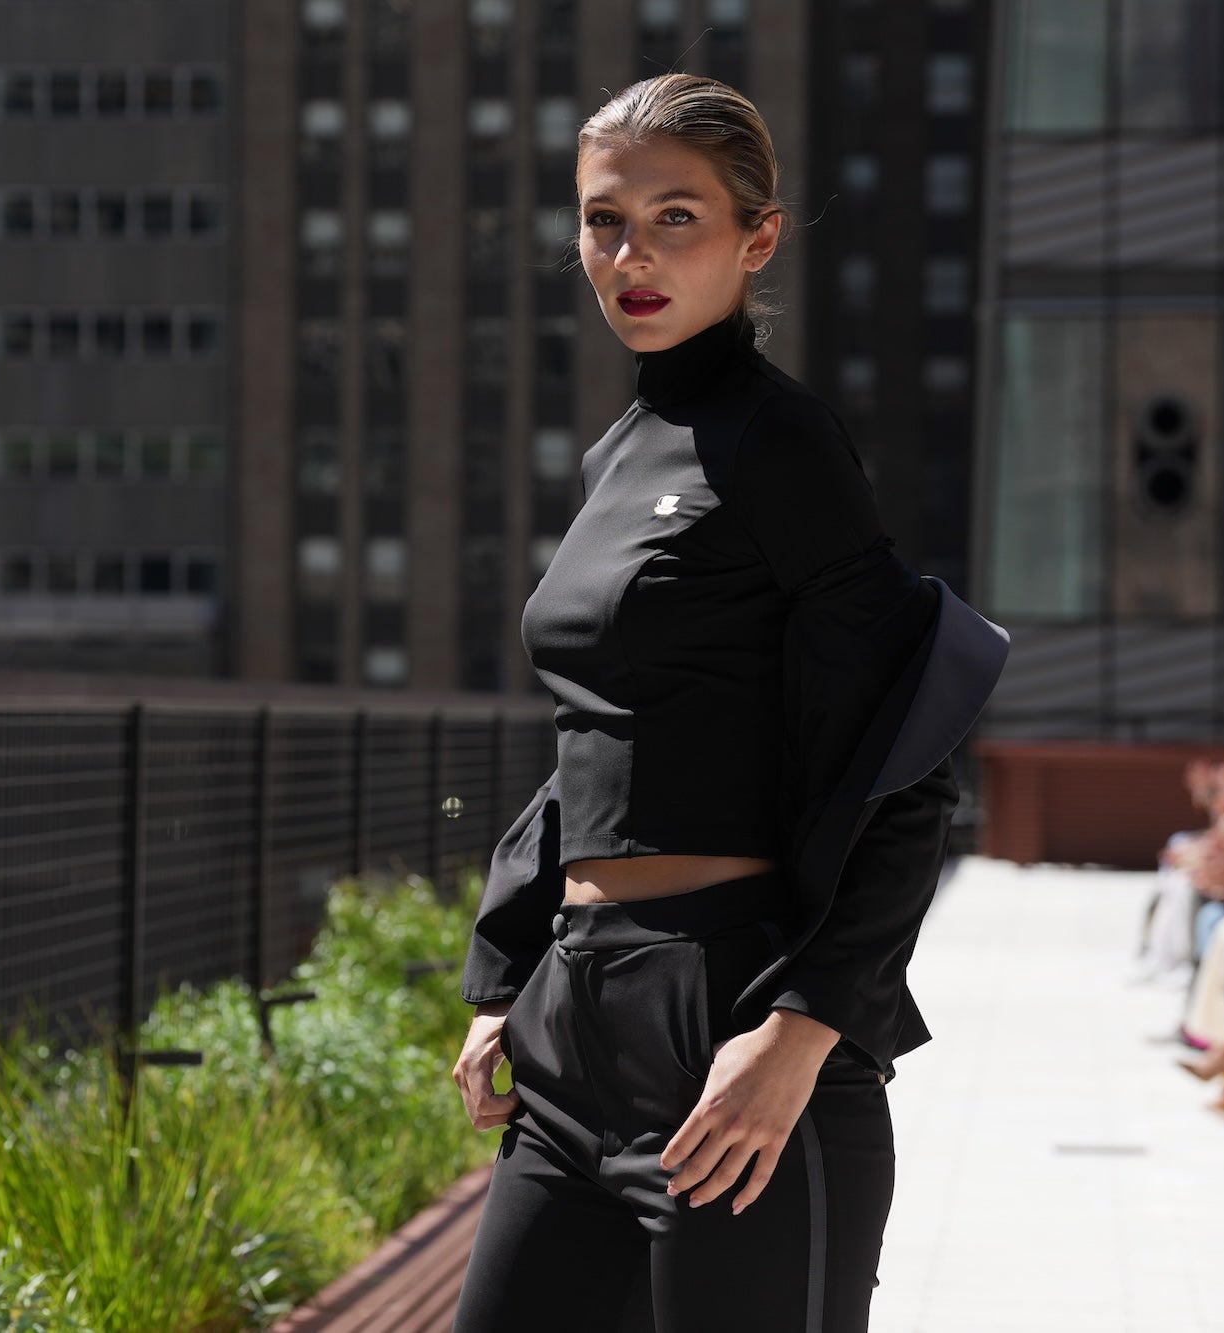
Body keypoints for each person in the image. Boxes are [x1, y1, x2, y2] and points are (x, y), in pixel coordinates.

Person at [447, 74, 1007, 1333]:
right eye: (602, 221)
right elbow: (601, 729)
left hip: (728, 1014)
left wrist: (804, 1028)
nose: (629, 255)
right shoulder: (613, 458)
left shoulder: (782, 443)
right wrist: (508, 973)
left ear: (754, 239)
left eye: (673, 217)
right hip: (577, 1019)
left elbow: (908, 752)